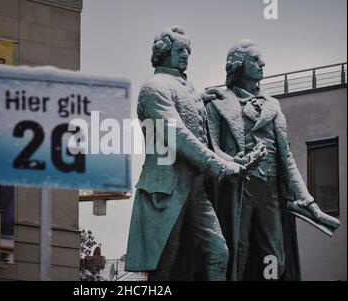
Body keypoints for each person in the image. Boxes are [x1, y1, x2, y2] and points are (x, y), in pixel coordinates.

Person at [205, 40, 339, 280]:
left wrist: (307, 200)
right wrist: (236, 163)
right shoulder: (216, 103)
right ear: (239, 65)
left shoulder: (273, 105)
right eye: (255, 60)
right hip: (239, 188)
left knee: (275, 253)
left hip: (270, 191)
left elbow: (286, 157)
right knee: (238, 251)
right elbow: (212, 149)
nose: (262, 64)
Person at [125, 26, 246, 281]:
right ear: (165, 52)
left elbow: (201, 137)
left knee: (219, 253)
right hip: (166, 189)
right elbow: (179, 136)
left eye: (189, 50)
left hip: (195, 189)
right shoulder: (154, 88)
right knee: (165, 262)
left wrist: (231, 160)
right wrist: (221, 167)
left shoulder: (186, 90)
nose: (186, 55)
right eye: (181, 50)